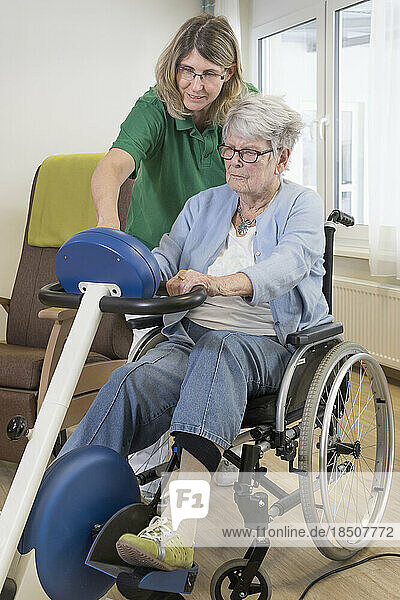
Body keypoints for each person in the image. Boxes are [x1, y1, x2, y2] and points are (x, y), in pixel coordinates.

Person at [60, 94, 332, 571]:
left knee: (221, 349)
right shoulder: (204, 204)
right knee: (129, 380)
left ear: (281, 156)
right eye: (230, 151)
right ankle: (63, 497)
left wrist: (218, 283)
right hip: (191, 338)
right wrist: (128, 268)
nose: (236, 163)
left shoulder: (302, 207)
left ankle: (178, 529)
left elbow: (288, 265)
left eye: (250, 153)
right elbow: (166, 256)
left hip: (267, 345)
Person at [91, 13, 255, 486]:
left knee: (198, 366)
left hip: (219, 281)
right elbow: (114, 165)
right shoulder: (157, 106)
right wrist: (108, 224)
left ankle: (176, 500)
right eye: (188, 70)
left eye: (209, 74)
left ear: (229, 75)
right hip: (160, 264)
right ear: (173, 67)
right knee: (145, 376)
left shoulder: (246, 114)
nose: (196, 85)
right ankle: (119, 486)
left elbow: (268, 186)